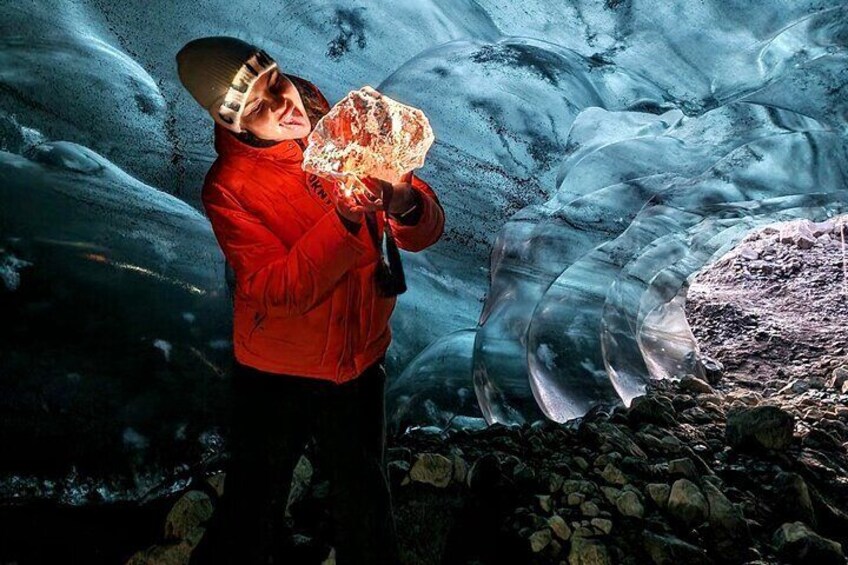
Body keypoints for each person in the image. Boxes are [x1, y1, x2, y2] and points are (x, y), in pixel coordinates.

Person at [175, 36, 445, 564]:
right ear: (235, 124)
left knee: (366, 496)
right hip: (278, 368)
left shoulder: (336, 119)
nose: (281, 103)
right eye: (256, 106)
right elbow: (278, 289)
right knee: (254, 500)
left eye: (275, 80)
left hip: (360, 356)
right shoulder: (227, 189)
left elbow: (421, 232)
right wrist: (345, 219)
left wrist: (404, 200)